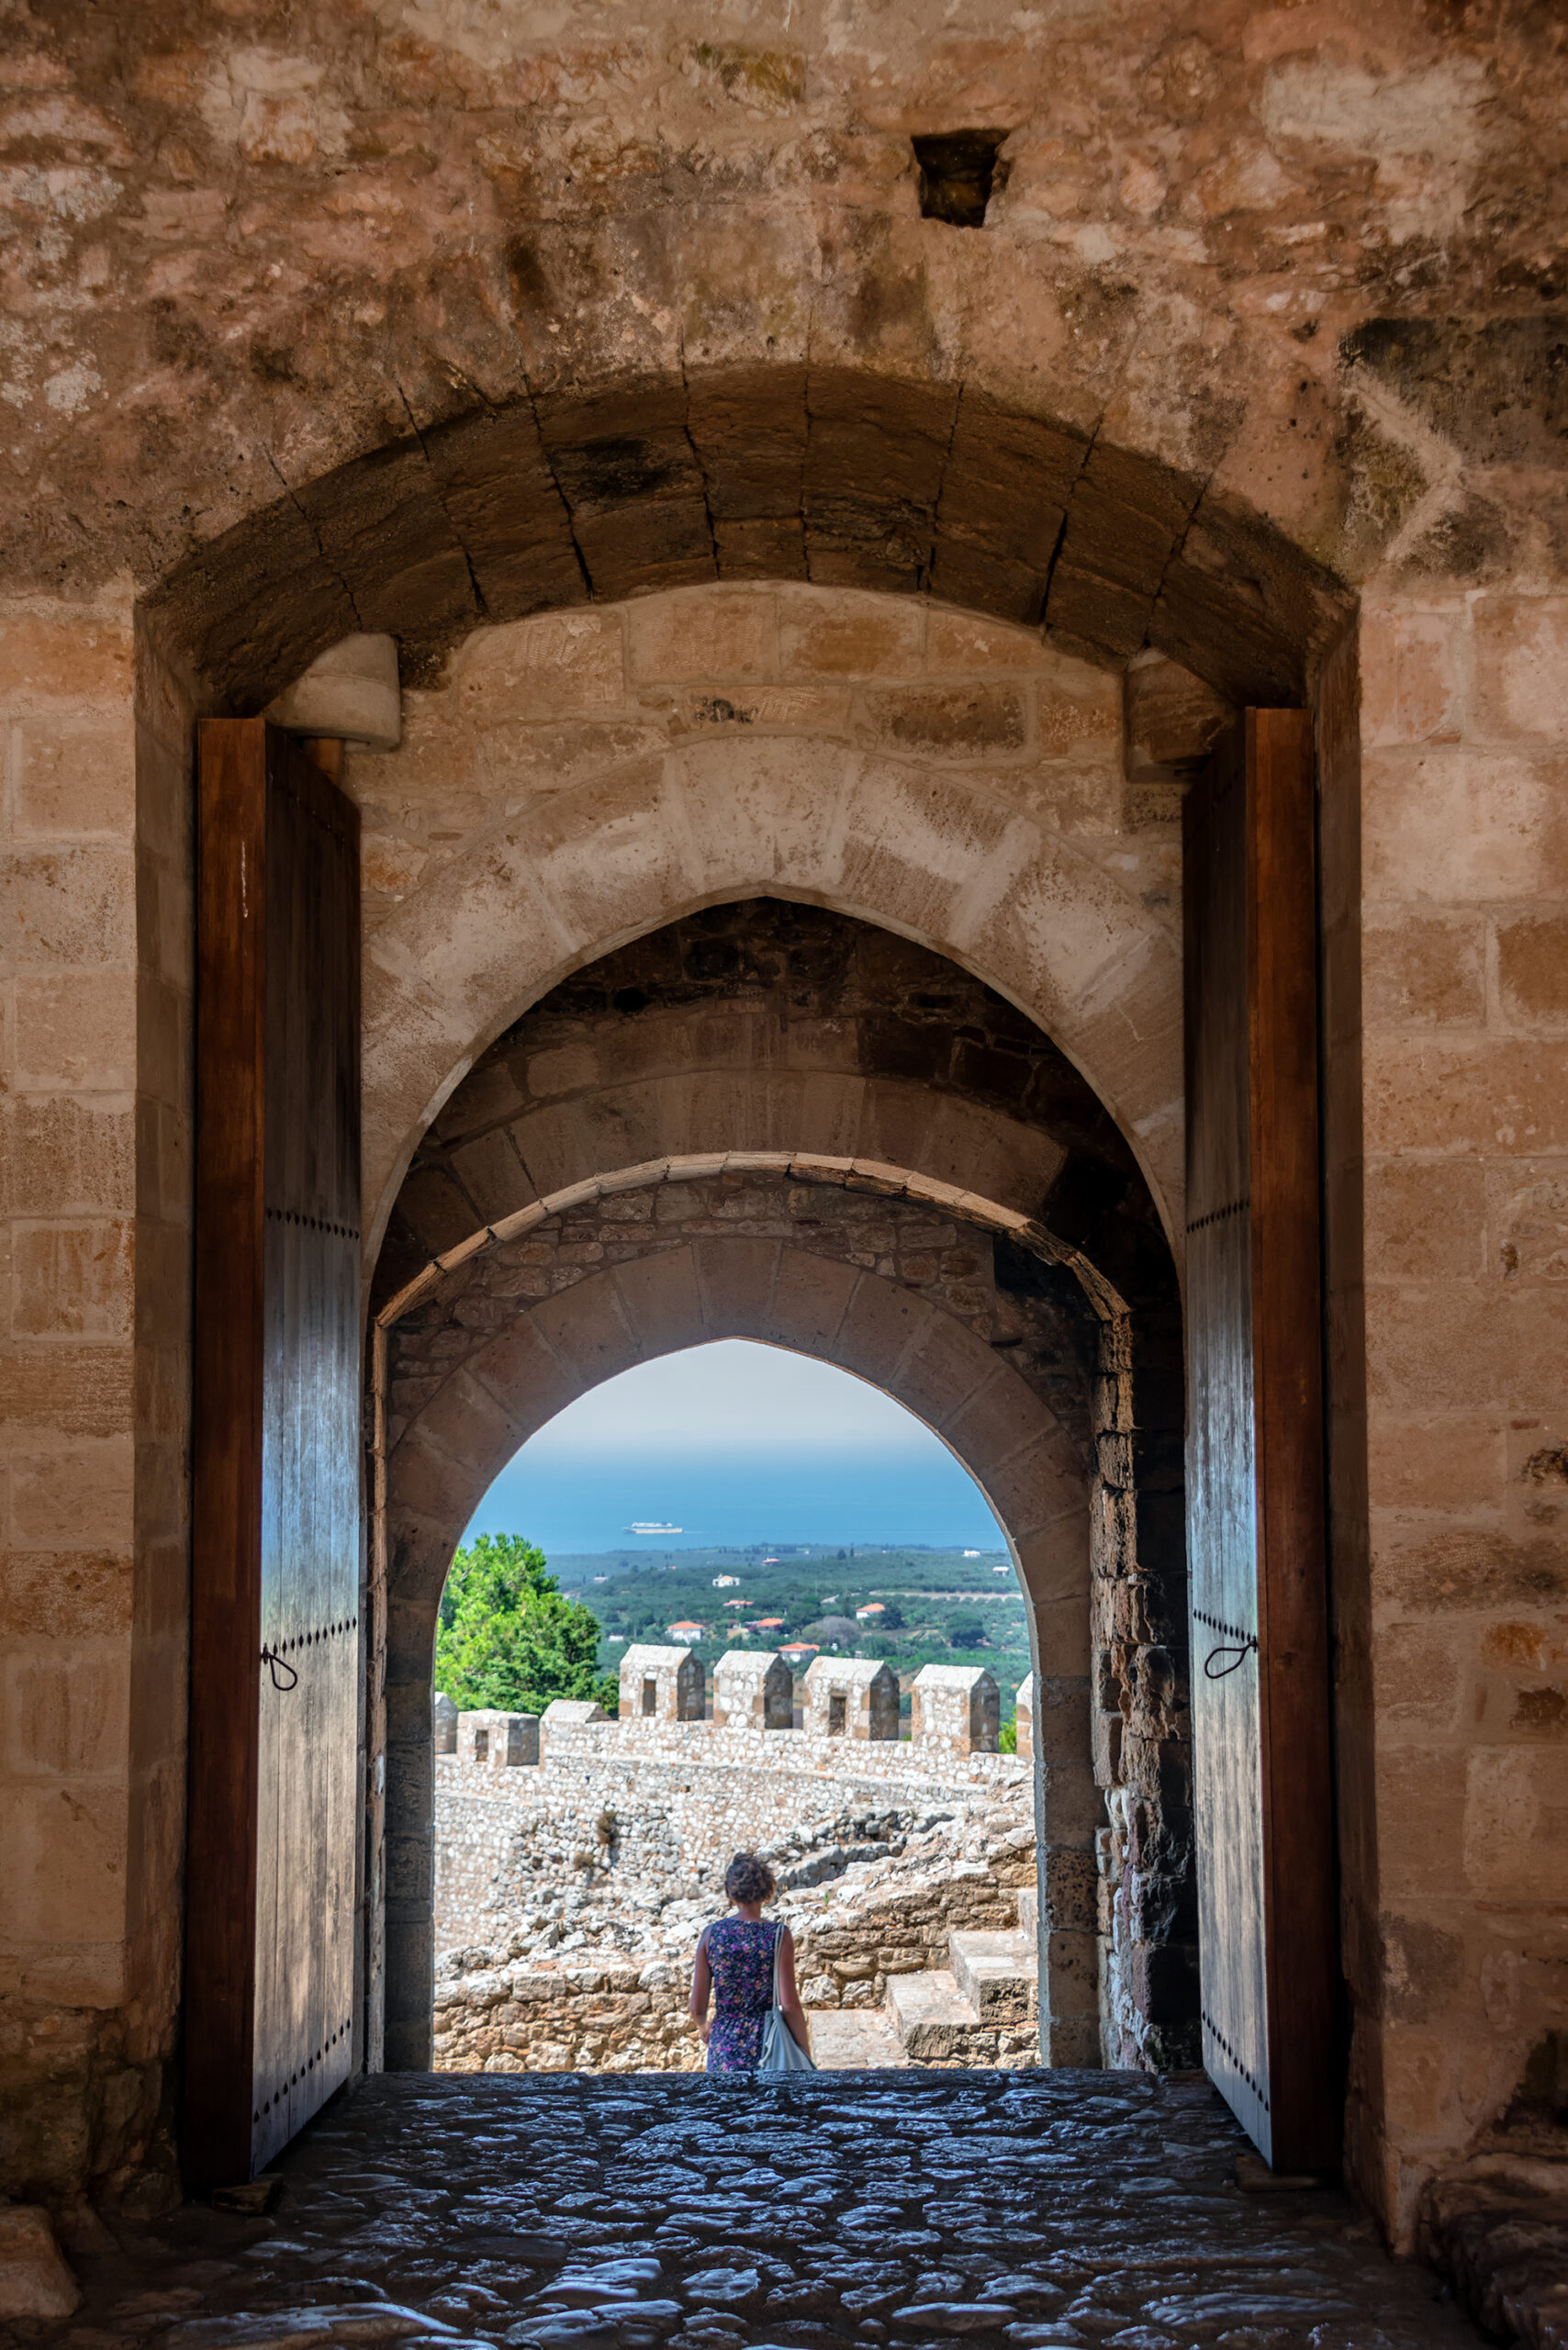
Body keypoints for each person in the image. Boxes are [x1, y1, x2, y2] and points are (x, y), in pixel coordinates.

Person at [689, 1852, 809, 2072]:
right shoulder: (778, 1936)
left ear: (730, 1893)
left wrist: (705, 2027)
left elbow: (697, 2008)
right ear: (766, 1891)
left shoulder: (711, 1935)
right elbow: (790, 2006)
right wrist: (803, 2051)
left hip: (723, 2046)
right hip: (767, 2045)